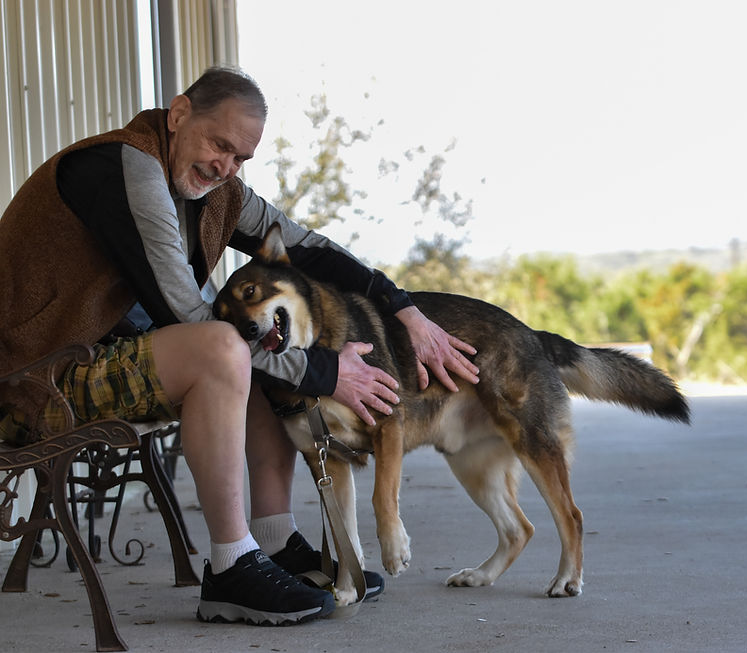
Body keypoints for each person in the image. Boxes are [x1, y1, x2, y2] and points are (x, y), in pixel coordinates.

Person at [0, 65, 480, 625]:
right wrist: (325, 372)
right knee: (226, 347)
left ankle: (274, 542)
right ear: (179, 114)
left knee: (261, 343)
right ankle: (230, 567)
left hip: (86, 362)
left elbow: (308, 247)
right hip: (30, 381)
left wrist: (403, 308)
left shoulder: (218, 191)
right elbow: (185, 314)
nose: (224, 166)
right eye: (218, 144)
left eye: (239, 158)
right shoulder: (126, 166)